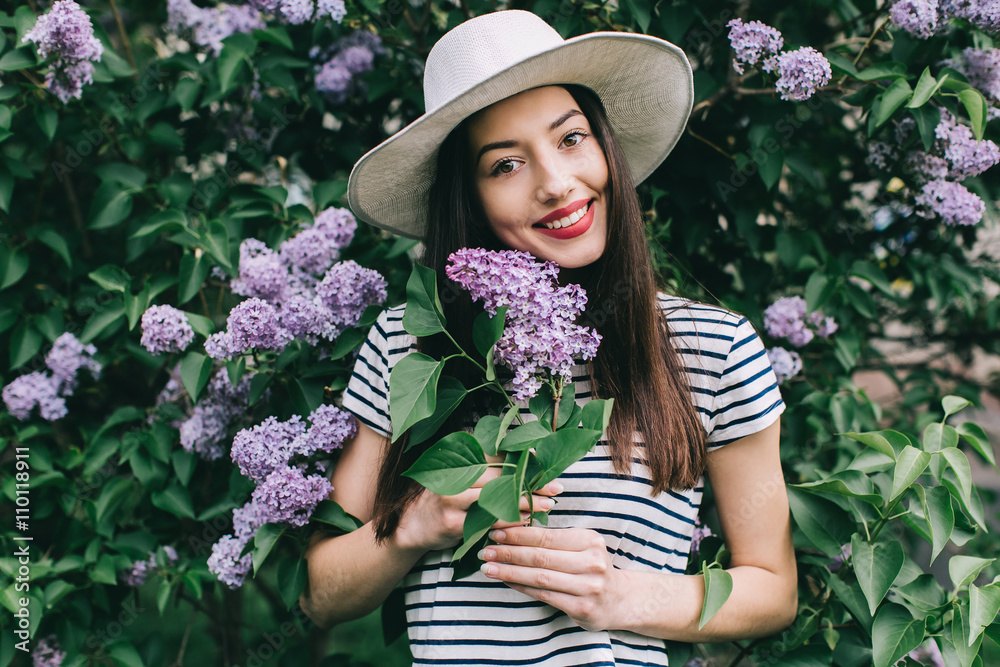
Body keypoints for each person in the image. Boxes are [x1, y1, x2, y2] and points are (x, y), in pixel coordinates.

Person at [300, 9, 797, 665]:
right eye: (505, 164)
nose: (556, 184)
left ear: (606, 147)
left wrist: (623, 597)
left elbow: (773, 588)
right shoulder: (411, 342)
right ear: (469, 196)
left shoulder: (715, 349)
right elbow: (320, 593)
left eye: (570, 139)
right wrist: (413, 526)